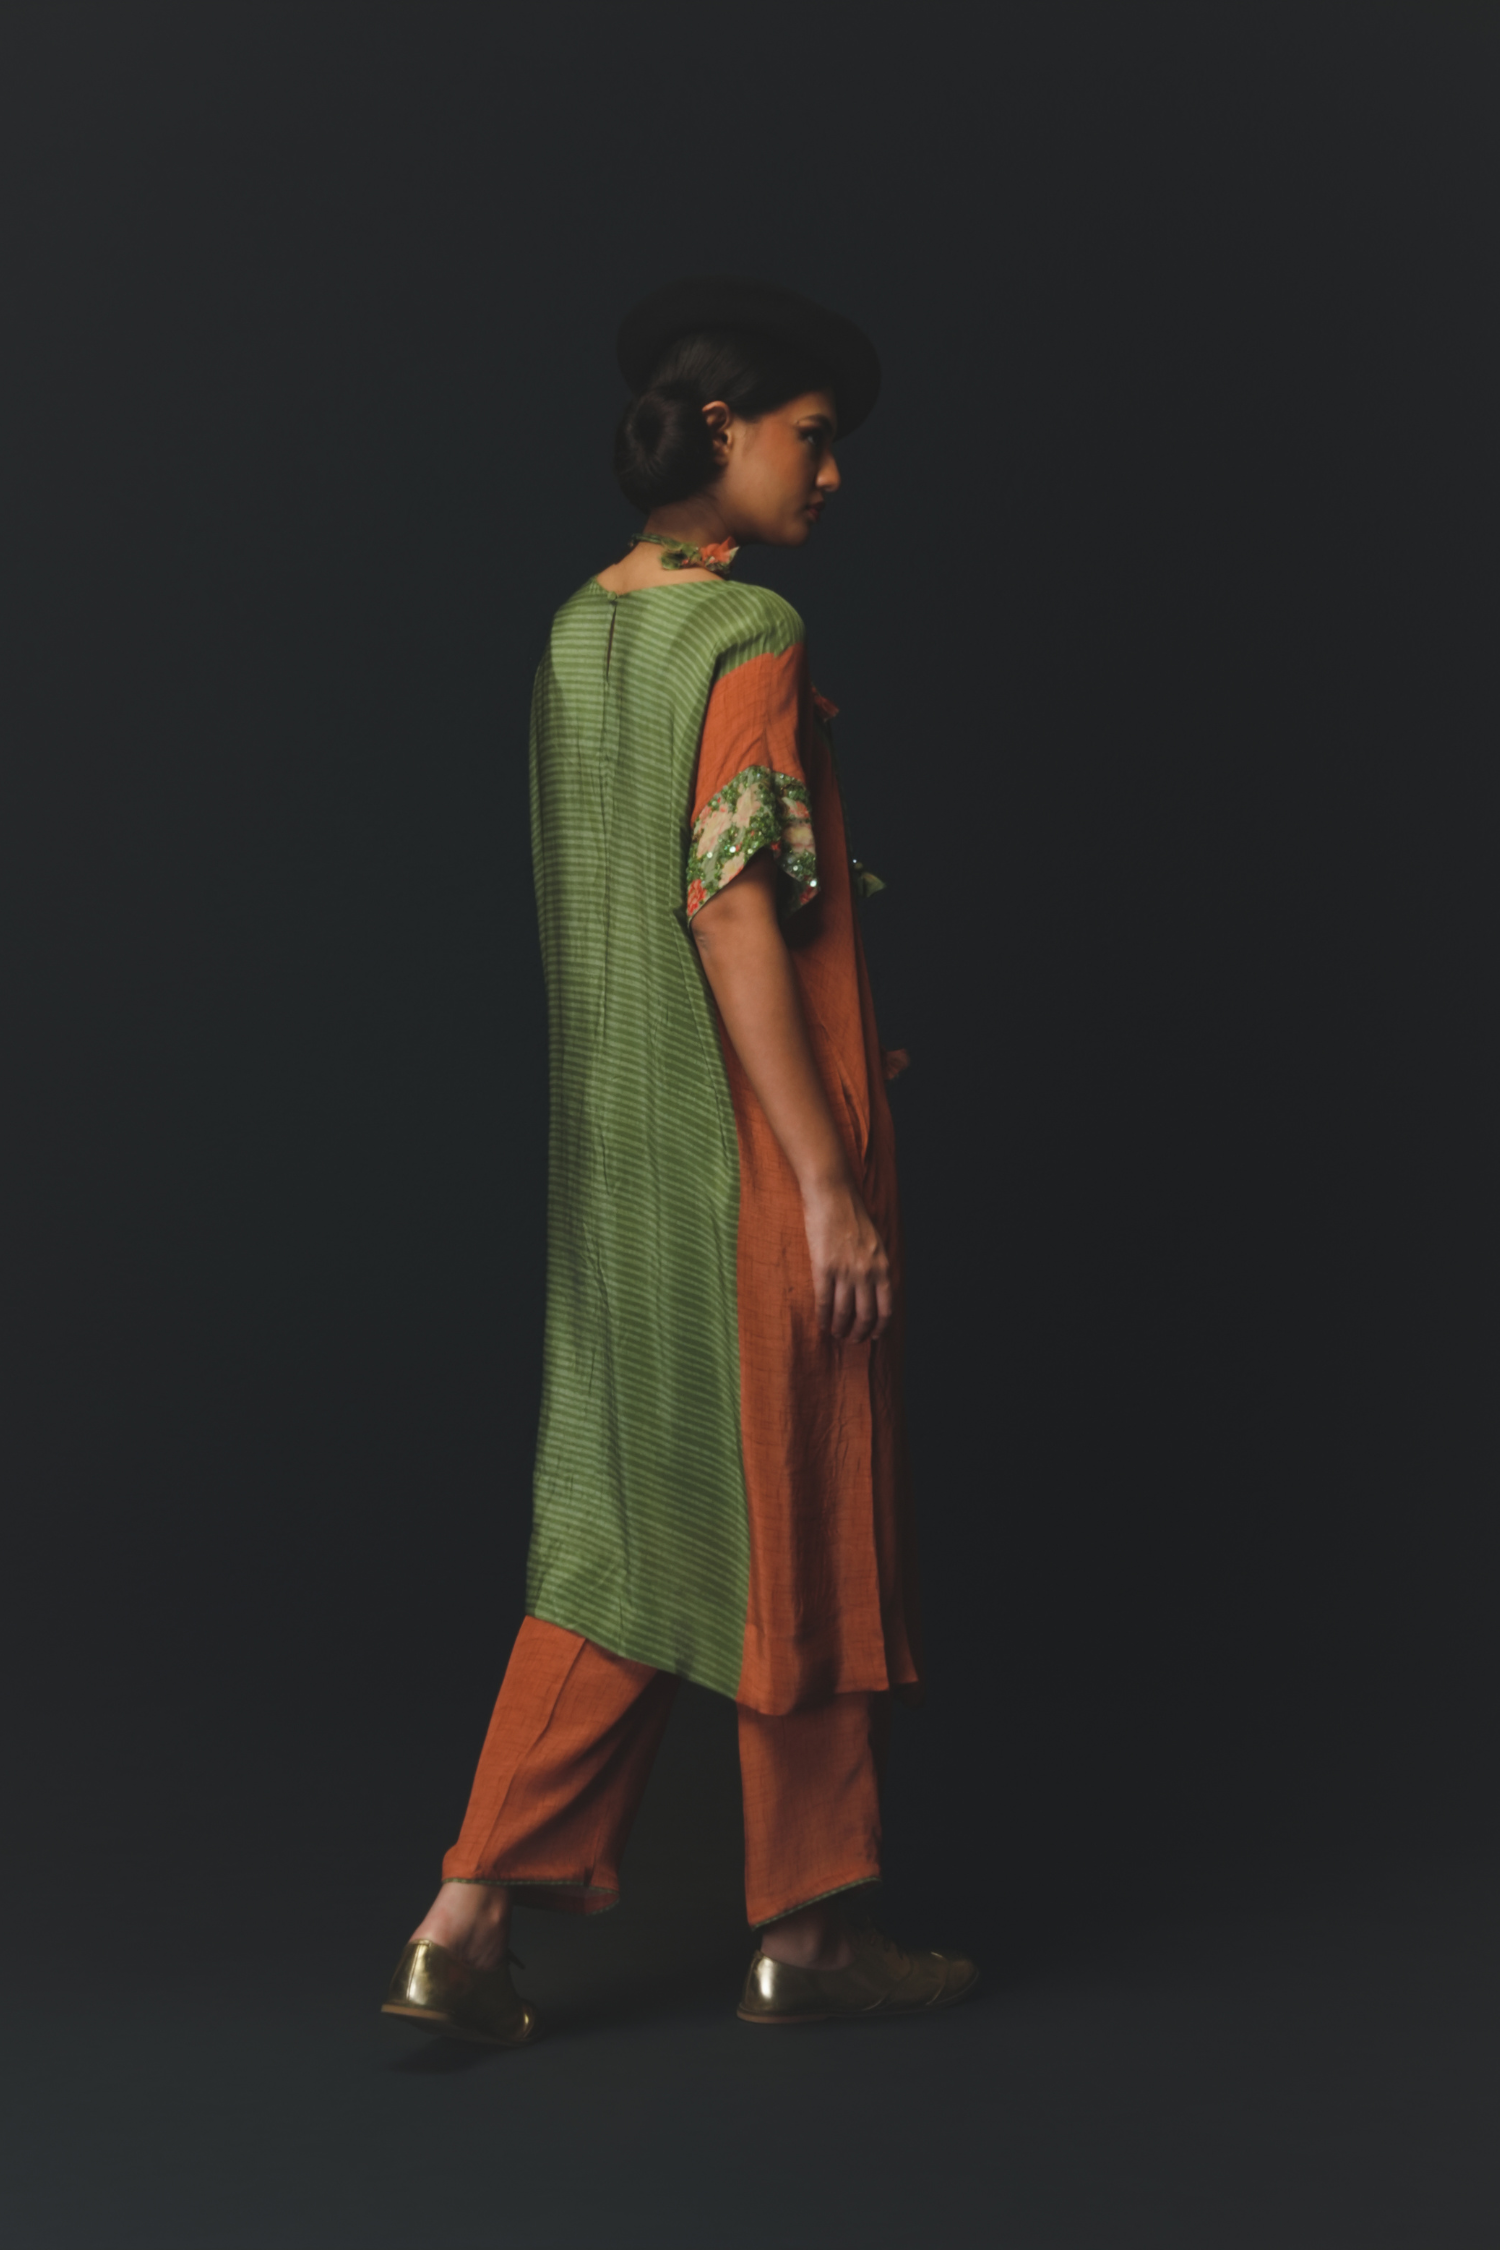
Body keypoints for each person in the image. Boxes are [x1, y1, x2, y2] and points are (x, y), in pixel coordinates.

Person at [382, 276, 976, 2044]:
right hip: (747, 1171)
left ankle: (461, 1925)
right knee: (804, 1520)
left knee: (620, 1539)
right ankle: (813, 1937)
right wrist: (828, 1182)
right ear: (723, 430)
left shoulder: (578, 631)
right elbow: (729, 911)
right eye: (812, 437)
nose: (832, 475)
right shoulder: (748, 631)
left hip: (615, 1188)